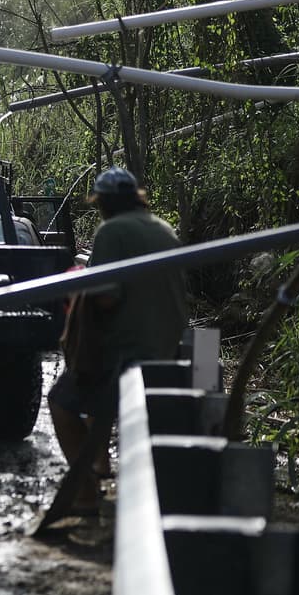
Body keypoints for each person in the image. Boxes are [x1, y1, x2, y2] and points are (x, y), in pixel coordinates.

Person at [48, 166, 187, 514]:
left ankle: (84, 493)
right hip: (165, 345)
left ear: (104, 204)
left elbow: (107, 297)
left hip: (130, 351)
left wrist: (77, 287)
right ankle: (99, 464)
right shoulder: (162, 228)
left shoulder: (112, 231)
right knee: (95, 393)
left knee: (61, 402)